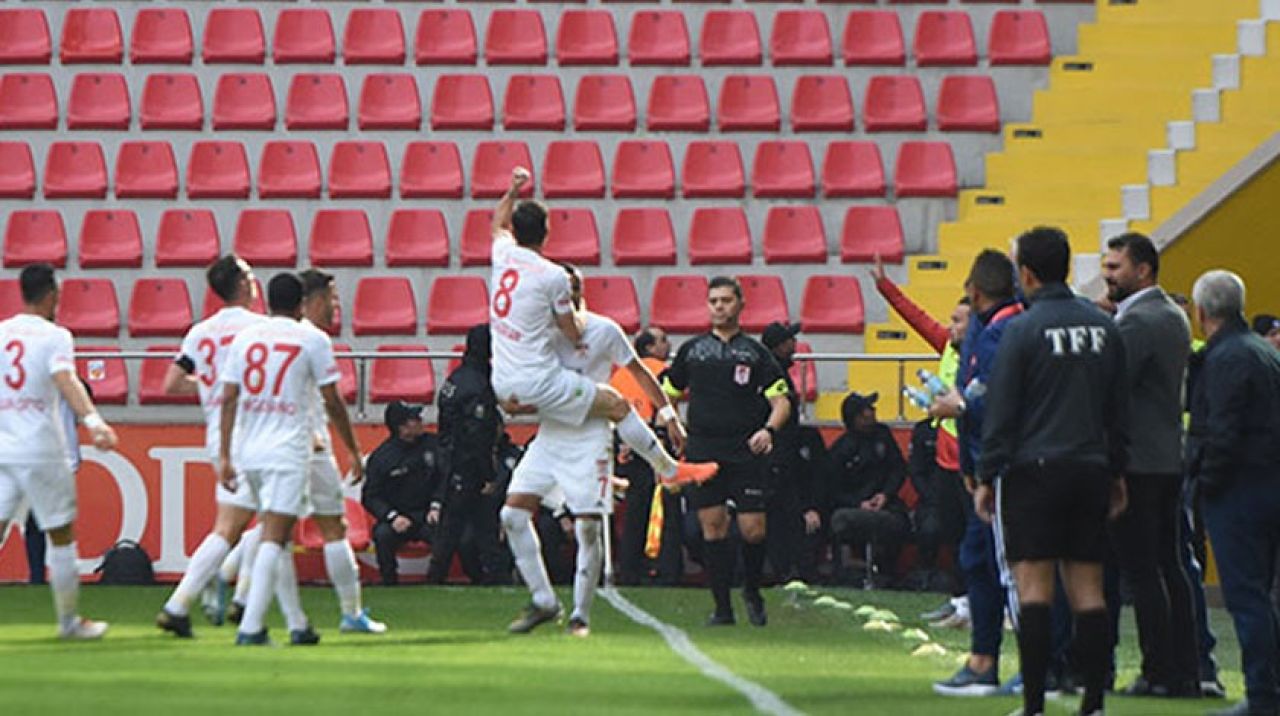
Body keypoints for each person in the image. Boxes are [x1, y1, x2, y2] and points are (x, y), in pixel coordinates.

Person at [486, 166, 715, 500]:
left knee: (516, 515)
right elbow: (574, 333)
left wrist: (512, 190)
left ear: (515, 231)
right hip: (539, 386)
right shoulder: (552, 277)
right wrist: (575, 313)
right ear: (547, 233)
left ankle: (607, 482)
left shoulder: (503, 254)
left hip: (504, 381)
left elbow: (497, 224)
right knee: (616, 403)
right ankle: (668, 470)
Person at [977, 226, 1129, 716]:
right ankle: (1094, 702)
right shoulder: (1104, 328)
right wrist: (1117, 471)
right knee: (1088, 589)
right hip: (1090, 469)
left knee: (1034, 589)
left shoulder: (1022, 330)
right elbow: (1117, 410)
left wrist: (986, 475)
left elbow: (1003, 410)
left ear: (1026, 273)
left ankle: (1035, 703)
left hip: (1034, 473)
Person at [503, 264, 680, 636]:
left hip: (591, 436)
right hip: (551, 435)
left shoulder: (604, 329)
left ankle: (580, 616)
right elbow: (525, 388)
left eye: (573, 288)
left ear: (579, 292)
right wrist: (516, 402)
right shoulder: (540, 336)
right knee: (512, 515)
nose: (567, 295)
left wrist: (667, 414)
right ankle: (544, 600)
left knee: (587, 527)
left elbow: (640, 371)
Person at [220, 272, 364, 646]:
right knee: (276, 537)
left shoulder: (246, 337)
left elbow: (229, 397)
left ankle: (296, 622)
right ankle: (251, 624)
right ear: (302, 303)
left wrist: (224, 454)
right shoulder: (311, 339)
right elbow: (333, 400)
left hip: (250, 451)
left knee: (276, 536)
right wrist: (353, 448)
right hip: (288, 451)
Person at [1099, 232, 1199, 697]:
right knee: (1169, 564)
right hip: (1166, 458)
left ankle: (1158, 669)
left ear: (1142, 270)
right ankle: (1184, 667)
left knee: (1142, 570)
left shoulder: (1137, 323)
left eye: (1115, 267)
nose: (1107, 275)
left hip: (1138, 462)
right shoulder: (1170, 315)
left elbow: (1111, 387)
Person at [661, 276, 792, 627]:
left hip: (745, 449)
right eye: (713, 301)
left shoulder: (755, 353)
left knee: (753, 529)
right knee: (713, 527)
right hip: (704, 447)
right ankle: (722, 608)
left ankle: (752, 589)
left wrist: (768, 429)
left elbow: (781, 401)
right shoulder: (692, 351)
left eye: (726, 300)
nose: (719, 307)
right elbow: (667, 394)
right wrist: (671, 424)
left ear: (740, 305)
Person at [157, 255, 275, 639]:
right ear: (241, 284)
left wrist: (208, 384)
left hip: (219, 436)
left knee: (259, 522)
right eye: (250, 276)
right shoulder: (260, 328)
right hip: (254, 433)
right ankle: (184, 601)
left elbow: (172, 383)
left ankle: (234, 593)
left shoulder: (200, 332)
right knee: (244, 526)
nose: (255, 282)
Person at [0, 263, 118, 639]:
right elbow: (66, 380)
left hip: (4, 447)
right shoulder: (55, 337)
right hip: (41, 448)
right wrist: (94, 421)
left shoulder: (2, 333)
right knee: (61, 533)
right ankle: (69, 622)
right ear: (52, 295)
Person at [931, 249, 1023, 696]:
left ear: (975, 290)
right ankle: (983, 661)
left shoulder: (1003, 333)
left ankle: (1039, 665)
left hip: (1006, 470)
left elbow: (997, 405)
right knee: (979, 560)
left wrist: (962, 408)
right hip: (984, 467)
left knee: (1013, 570)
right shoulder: (987, 333)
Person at [1187, 270, 1280, 716]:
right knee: (1262, 595)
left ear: (1201, 312)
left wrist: (1204, 483)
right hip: (1266, 481)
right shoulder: (1262, 352)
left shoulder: (1225, 359)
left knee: (1246, 596)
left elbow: (1221, 432)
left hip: (1238, 490)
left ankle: (1262, 694)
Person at [872, 256, 972, 622]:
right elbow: (917, 319)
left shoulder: (986, 355)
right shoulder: (947, 345)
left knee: (978, 535)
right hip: (946, 458)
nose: (950, 326)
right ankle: (960, 602)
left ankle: (988, 604)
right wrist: (887, 289)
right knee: (954, 533)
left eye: (958, 320)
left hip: (973, 456)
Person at [429, 323, 506, 585]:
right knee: (479, 527)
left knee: (451, 528)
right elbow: (478, 436)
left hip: (452, 462)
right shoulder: (479, 385)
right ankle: (496, 577)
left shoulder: (455, 379)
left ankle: (436, 577)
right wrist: (488, 474)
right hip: (469, 465)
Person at [615, 327, 683, 586]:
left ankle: (629, 570)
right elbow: (664, 412)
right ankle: (667, 571)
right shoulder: (661, 372)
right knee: (668, 511)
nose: (668, 344)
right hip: (654, 446)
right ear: (650, 348)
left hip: (627, 445)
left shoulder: (619, 375)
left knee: (634, 513)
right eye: (662, 341)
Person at [825, 392, 909, 586]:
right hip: (853, 508)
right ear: (856, 418)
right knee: (840, 520)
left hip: (887, 505)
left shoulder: (883, 435)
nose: (873, 412)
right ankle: (847, 571)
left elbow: (898, 469)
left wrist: (885, 494)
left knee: (899, 521)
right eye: (867, 409)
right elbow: (831, 489)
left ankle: (888, 573)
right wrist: (858, 503)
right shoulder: (841, 449)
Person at [760, 321, 821, 585]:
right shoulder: (772, 375)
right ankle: (784, 569)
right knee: (781, 516)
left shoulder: (775, 372)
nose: (794, 345)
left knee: (784, 515)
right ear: (778, 346)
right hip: (777, 456)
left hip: (782, 455)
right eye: (789, 340)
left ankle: (786, 569)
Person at [362, 401, 442, 586]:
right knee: (382, 535)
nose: (421, 421)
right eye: (414, 419)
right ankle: (389, 581)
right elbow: (371, 496)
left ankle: (437, 580)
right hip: (399, 516)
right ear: (401, 427)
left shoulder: (434, 444)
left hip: (428, 514)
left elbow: (444, 478)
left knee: (445, 532)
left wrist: (437, 505)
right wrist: (392, 516)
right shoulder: (382, 457)